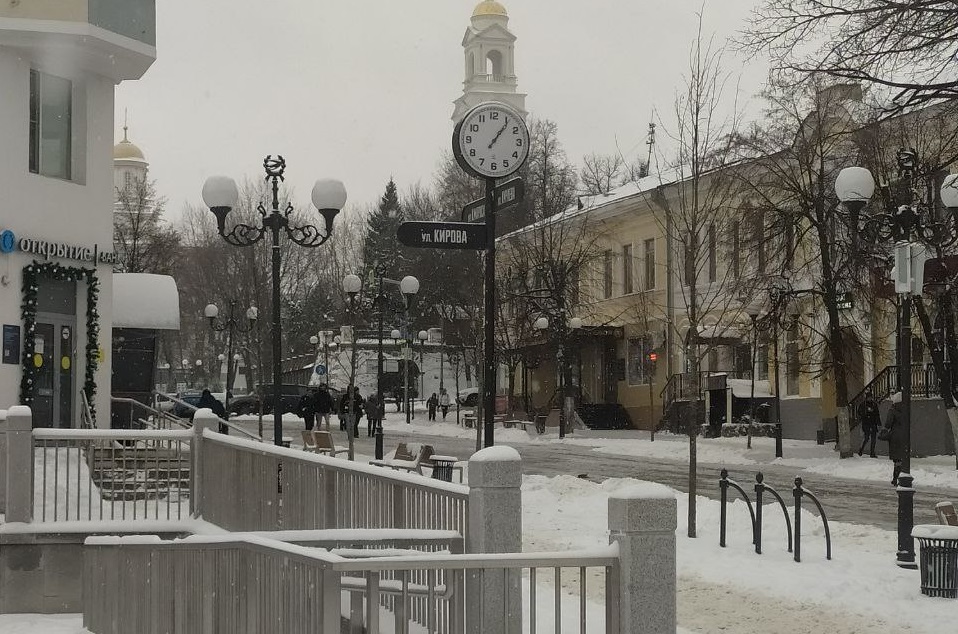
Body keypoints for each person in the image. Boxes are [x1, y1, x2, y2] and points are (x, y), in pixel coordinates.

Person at [882, 392, 906, 485]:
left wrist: (885, 430)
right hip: (904, 436)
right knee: (902, 458)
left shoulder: (892, 410)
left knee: (896, 459)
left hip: (895, 436)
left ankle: (895, 478)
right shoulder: (905, 409)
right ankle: (901, 477)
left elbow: (888, 423)